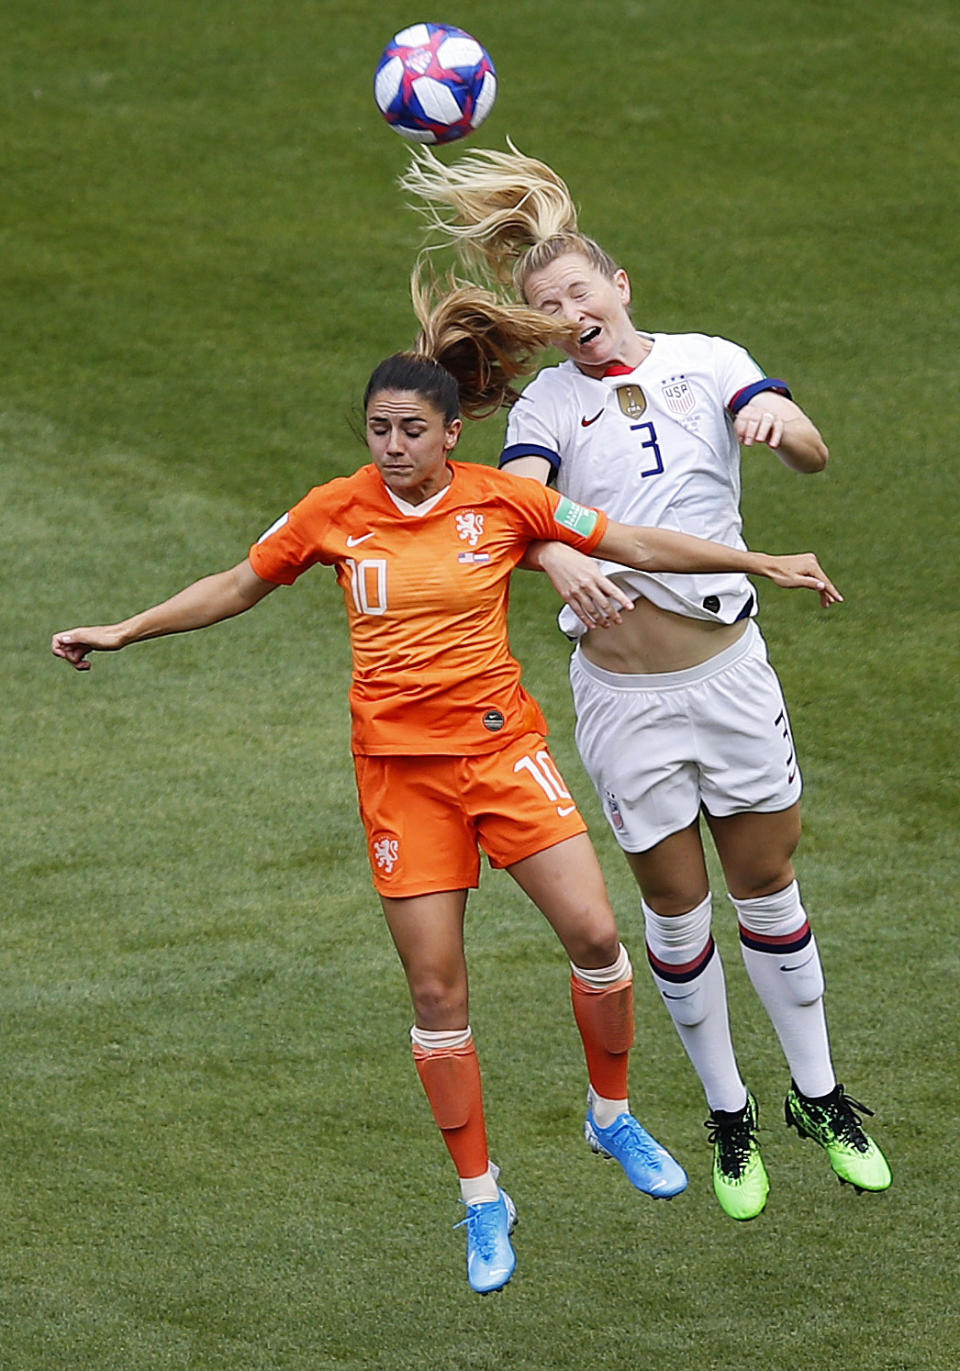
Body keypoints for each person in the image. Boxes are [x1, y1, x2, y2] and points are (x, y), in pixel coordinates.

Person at [52, 346, 841, 1294]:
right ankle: (482, 1198)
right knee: (438, 995)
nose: (391, 446)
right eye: (378, 428)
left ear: (451, 432)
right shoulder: (330, 511)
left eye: (410, 428)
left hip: (506, 758)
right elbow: (237, 584)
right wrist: (126, 628)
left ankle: (611, 1114)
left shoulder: (503, 501)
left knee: (596, 934)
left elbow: (628, 541)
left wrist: (757, 560)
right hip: (401, 782)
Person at [398, 142, 892, 1221]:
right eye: (547, 303)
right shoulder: (546, 416)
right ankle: (729, 1114)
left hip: (732, 676)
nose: (570, 309)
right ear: (538, 322)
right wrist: (555, 552)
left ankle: (820, 1094)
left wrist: (785, 426)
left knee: (770, 885)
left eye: (581, 290)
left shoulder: (712, 362)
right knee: (676, 908)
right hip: (626, 701)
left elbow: (810, 452)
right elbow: (515, 512)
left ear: (620, 289)